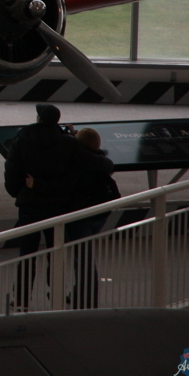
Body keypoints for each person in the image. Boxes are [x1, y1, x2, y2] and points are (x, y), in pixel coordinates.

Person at [3, 103, 114, 310]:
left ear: (38, 118)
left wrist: (18, 191)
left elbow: (11, 172)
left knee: (27, 253)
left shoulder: (21, 140)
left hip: (29, 205)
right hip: (57, 207)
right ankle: (55, 296)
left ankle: (21, 300)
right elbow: (98, 163)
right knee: (55, 254)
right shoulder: (68, 143)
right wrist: (105, 162)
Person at [67, 127, 120, 308]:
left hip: (81, 216)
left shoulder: (77, 162)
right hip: (100, 214)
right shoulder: (103, 161)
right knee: (84, 255)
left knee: (82, 259)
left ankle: (87, 299)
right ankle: (77, 293)